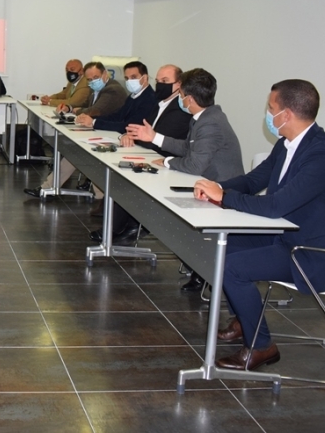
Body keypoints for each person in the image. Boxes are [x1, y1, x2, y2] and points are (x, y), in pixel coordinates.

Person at [194, 79, 325, 371]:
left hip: (309, 250)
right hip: (283, 235)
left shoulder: (319, 153)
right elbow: (254, 180)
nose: (268, 113)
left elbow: (277, 205)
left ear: (287, 114)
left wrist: (225, 197)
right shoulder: (286, 144)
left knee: (232, 269)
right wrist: (214, 187)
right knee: (221, 246)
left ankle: (261, 345)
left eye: (271, 107)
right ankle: (245, 317)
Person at [128, 68, 244, 288]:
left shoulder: (210, 122)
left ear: (189, 99)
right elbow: (187, 146)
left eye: (181, 95)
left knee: (172, 214)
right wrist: (155, 138)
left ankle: (203, 269)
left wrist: (167, 161)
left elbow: (194, 164)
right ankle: (198, 267)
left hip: (222, 191)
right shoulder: (202, 116)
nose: (180, 100)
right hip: (205, 183)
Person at [90, 64, 192, 244]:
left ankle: (124, 226)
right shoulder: (161, 103)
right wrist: (129, 135)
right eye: (158, 81)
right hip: (151, 154)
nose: (160, 85)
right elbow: (143, 129)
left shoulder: (179, 109)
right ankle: (124, 225)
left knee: (125, 175)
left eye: (165, 81)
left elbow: (157, 138)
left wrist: (134, 136)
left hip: (167, 160)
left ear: (179, 84)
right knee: (121, 168)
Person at [24, 61, 127, 198]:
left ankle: (101, 196)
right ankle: (47, 188)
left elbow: (95, 110)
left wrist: (78, 110)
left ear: (104, 74)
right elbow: (83, 105)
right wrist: (70, 108)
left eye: (95, 78)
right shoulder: (95, 88)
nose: (92, 81)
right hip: (98, 131)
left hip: (111, 134)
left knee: (78, 153)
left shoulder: (112, 89)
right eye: (89, 79)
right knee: (74, 153)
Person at [75, 61, 155, 133]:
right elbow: (117, 116)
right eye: (127, 78)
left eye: (133, 77)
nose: (129, 81)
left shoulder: (150, 99)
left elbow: (129, 126)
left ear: (144, 78)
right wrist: (90, 118)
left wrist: (94, 122)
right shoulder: (133, 95)